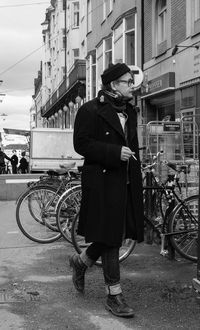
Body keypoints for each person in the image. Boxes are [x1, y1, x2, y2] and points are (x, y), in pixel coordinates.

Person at [69, 63, 144, 318]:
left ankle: (80, 262)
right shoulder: (90, 110)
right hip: (102, 182)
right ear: (113, 85)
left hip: (125, 182)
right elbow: (81, 144)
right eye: (127, 82)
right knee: (112, 238)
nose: (132, 86)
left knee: (113, 234)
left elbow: (131, 146)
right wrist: (113, 152)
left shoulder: (129, 111)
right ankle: (114, 296)